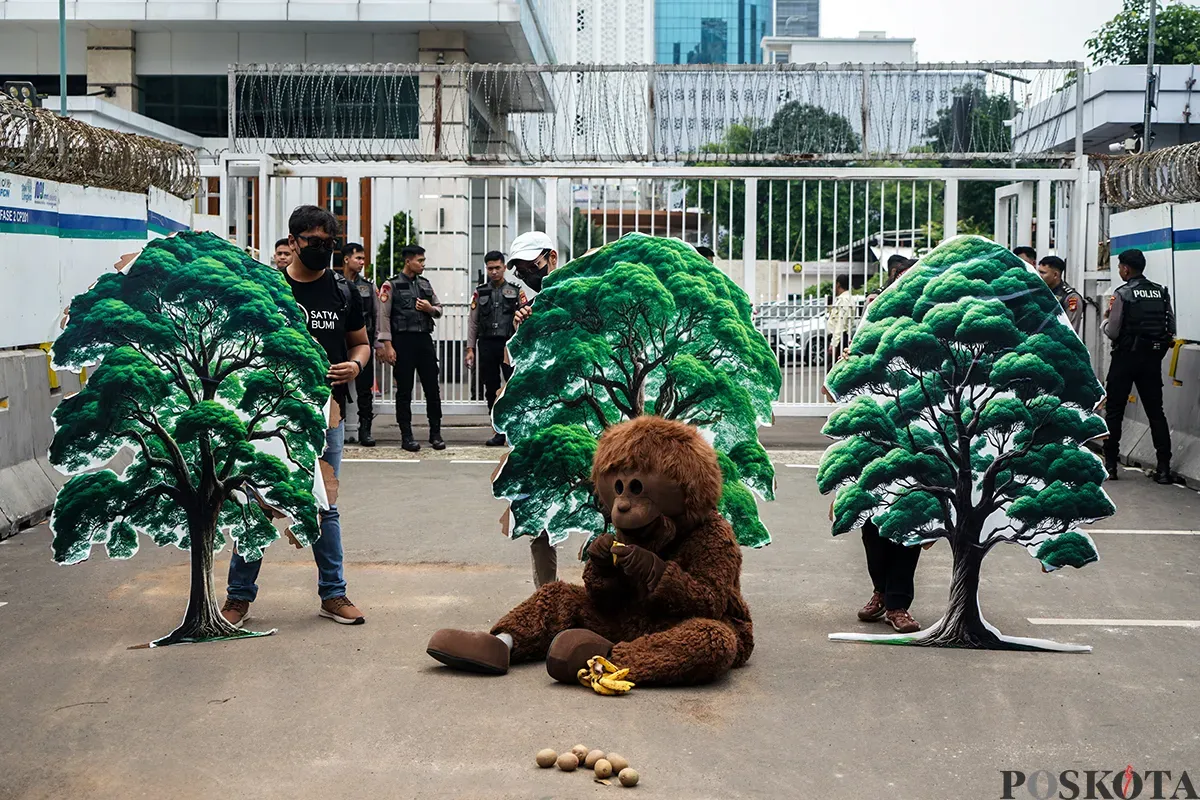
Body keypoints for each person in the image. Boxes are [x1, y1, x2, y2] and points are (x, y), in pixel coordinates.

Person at [222, 205, 369, 627]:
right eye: (313, 243)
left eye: (329, 244)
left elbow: (358, 343)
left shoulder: (343, 292)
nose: (322, 250)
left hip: (327, 414)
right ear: (292, 243)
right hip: (272, 414)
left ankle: (334, 594)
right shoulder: (270, 292)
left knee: (324, 503)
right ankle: (238, 598)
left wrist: (355, 365)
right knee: (258, 502)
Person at [855, 256, 923, 633]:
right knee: (872, 518)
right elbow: (855, 362)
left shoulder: (933, 316)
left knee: (910, 517)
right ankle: (880, 590)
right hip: (876, 429)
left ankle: (898, 604)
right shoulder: (874, 313)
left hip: (920, 429)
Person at [506, 231, 562, 587]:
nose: (527, 273)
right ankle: (548, 594)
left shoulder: (587, 290)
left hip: (586, 416)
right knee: (537, 511)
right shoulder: (527, 307)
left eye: (532, 265)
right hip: (540, 420)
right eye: (521, 269)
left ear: (551, 258)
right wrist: (521, 334)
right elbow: (519, 366)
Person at [1103, 248, 1176, 484]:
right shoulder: (1161, 292)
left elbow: (1113, 331)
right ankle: (1164, 468)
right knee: (1156, 413)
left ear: (1126, 268)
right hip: (1152, 360)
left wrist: (1105, 320)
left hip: (1125, 358)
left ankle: (1111, 466)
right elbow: (1170, 327)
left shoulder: (1123, 293)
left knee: (1114, 411)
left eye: (1119, 267)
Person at [376, 245, 445, 452]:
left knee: (432, 388)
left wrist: (429, 308)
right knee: (404, 391)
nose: (423, 264)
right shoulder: (391, 285)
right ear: (408, 261)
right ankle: (407, 436)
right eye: (420, 261)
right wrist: (387, 345)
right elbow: (384, 316)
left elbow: (439, 309)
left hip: (424, 341)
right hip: (402, 342)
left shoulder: (425, 284)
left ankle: (436, 433)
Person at [467, 250, 527, 446]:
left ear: (504, 268)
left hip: (508, 345)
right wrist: (470, 349)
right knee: (491, 389)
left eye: (497, 268)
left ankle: (515, 429)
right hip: (486, 345)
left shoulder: (516, 291)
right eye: (490, 268)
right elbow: (473, 323)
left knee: (513, 387)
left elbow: (525, 320)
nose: (493, 272)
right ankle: (498, 431)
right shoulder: (480, 292)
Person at [339, 242, 379, 447]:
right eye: (358, 258)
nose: (362, 262)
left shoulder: (368, 286)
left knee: (365, 389)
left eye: (363, 258)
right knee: (338, 386)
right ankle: (338, 428)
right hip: (338, 342)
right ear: (346, 259)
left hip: (362, 343)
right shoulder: (334, 282)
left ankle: (365, 430)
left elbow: (376, 314)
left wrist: (378, 343)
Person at [1036, 255, 1084, 334]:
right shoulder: (1040, 292)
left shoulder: (1070, 297)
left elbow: (1070, 331)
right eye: (1039, 272)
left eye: (1043, 273)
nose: (1039, 276)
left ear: (1055, 275)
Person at [826, 275, 856, 363]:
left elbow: (841, 323)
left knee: (833, 368)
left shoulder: (844, 300)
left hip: (840, 339)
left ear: (838, 284)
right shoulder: (844, 299)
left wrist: (834, 344)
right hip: (839, 338)